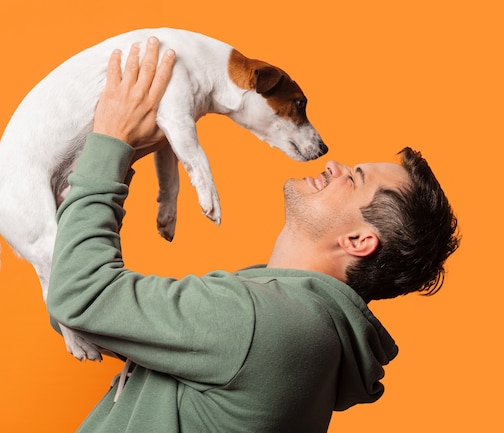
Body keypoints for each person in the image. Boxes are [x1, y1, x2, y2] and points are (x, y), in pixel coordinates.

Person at [47, 36, 459, 433]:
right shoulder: (289, 321)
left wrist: (110, 143)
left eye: (354, 178)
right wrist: (108, 162)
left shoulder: (261, 323)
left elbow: (81, 297)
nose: (334, 165)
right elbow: (87, 314)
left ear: (358, 241)